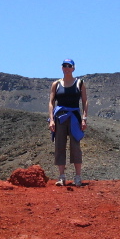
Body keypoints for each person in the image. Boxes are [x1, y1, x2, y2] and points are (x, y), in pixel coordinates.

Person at [48, 58, 88, 186]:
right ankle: (61, 176)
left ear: (73, 68)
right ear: (61, 68)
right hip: (60, 117)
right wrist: (51, 120)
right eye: (64, 66)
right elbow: (51, 102)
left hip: (74, 117)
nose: (66, 68)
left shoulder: (79, 83)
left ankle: (77, 176)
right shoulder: (56, 84)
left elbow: (85, 101)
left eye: (69, 66)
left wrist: (84, 118)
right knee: (59, 145)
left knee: (75, 145)